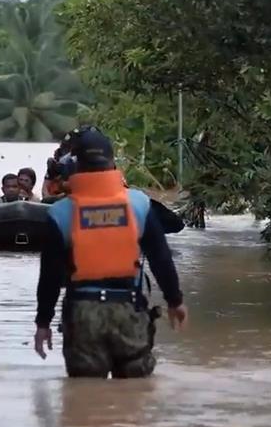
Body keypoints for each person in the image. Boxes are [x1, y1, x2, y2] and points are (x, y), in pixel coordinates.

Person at [33, 126, 188, 378]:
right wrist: (175, 301)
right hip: (128, 308)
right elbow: (161, 258)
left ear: (76, 164)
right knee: (134, 399)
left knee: (84, 399)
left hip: (82, 314)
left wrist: (43, 323)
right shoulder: (139, 203)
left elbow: (49, 276)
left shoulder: (59, 213)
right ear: (112, 161)